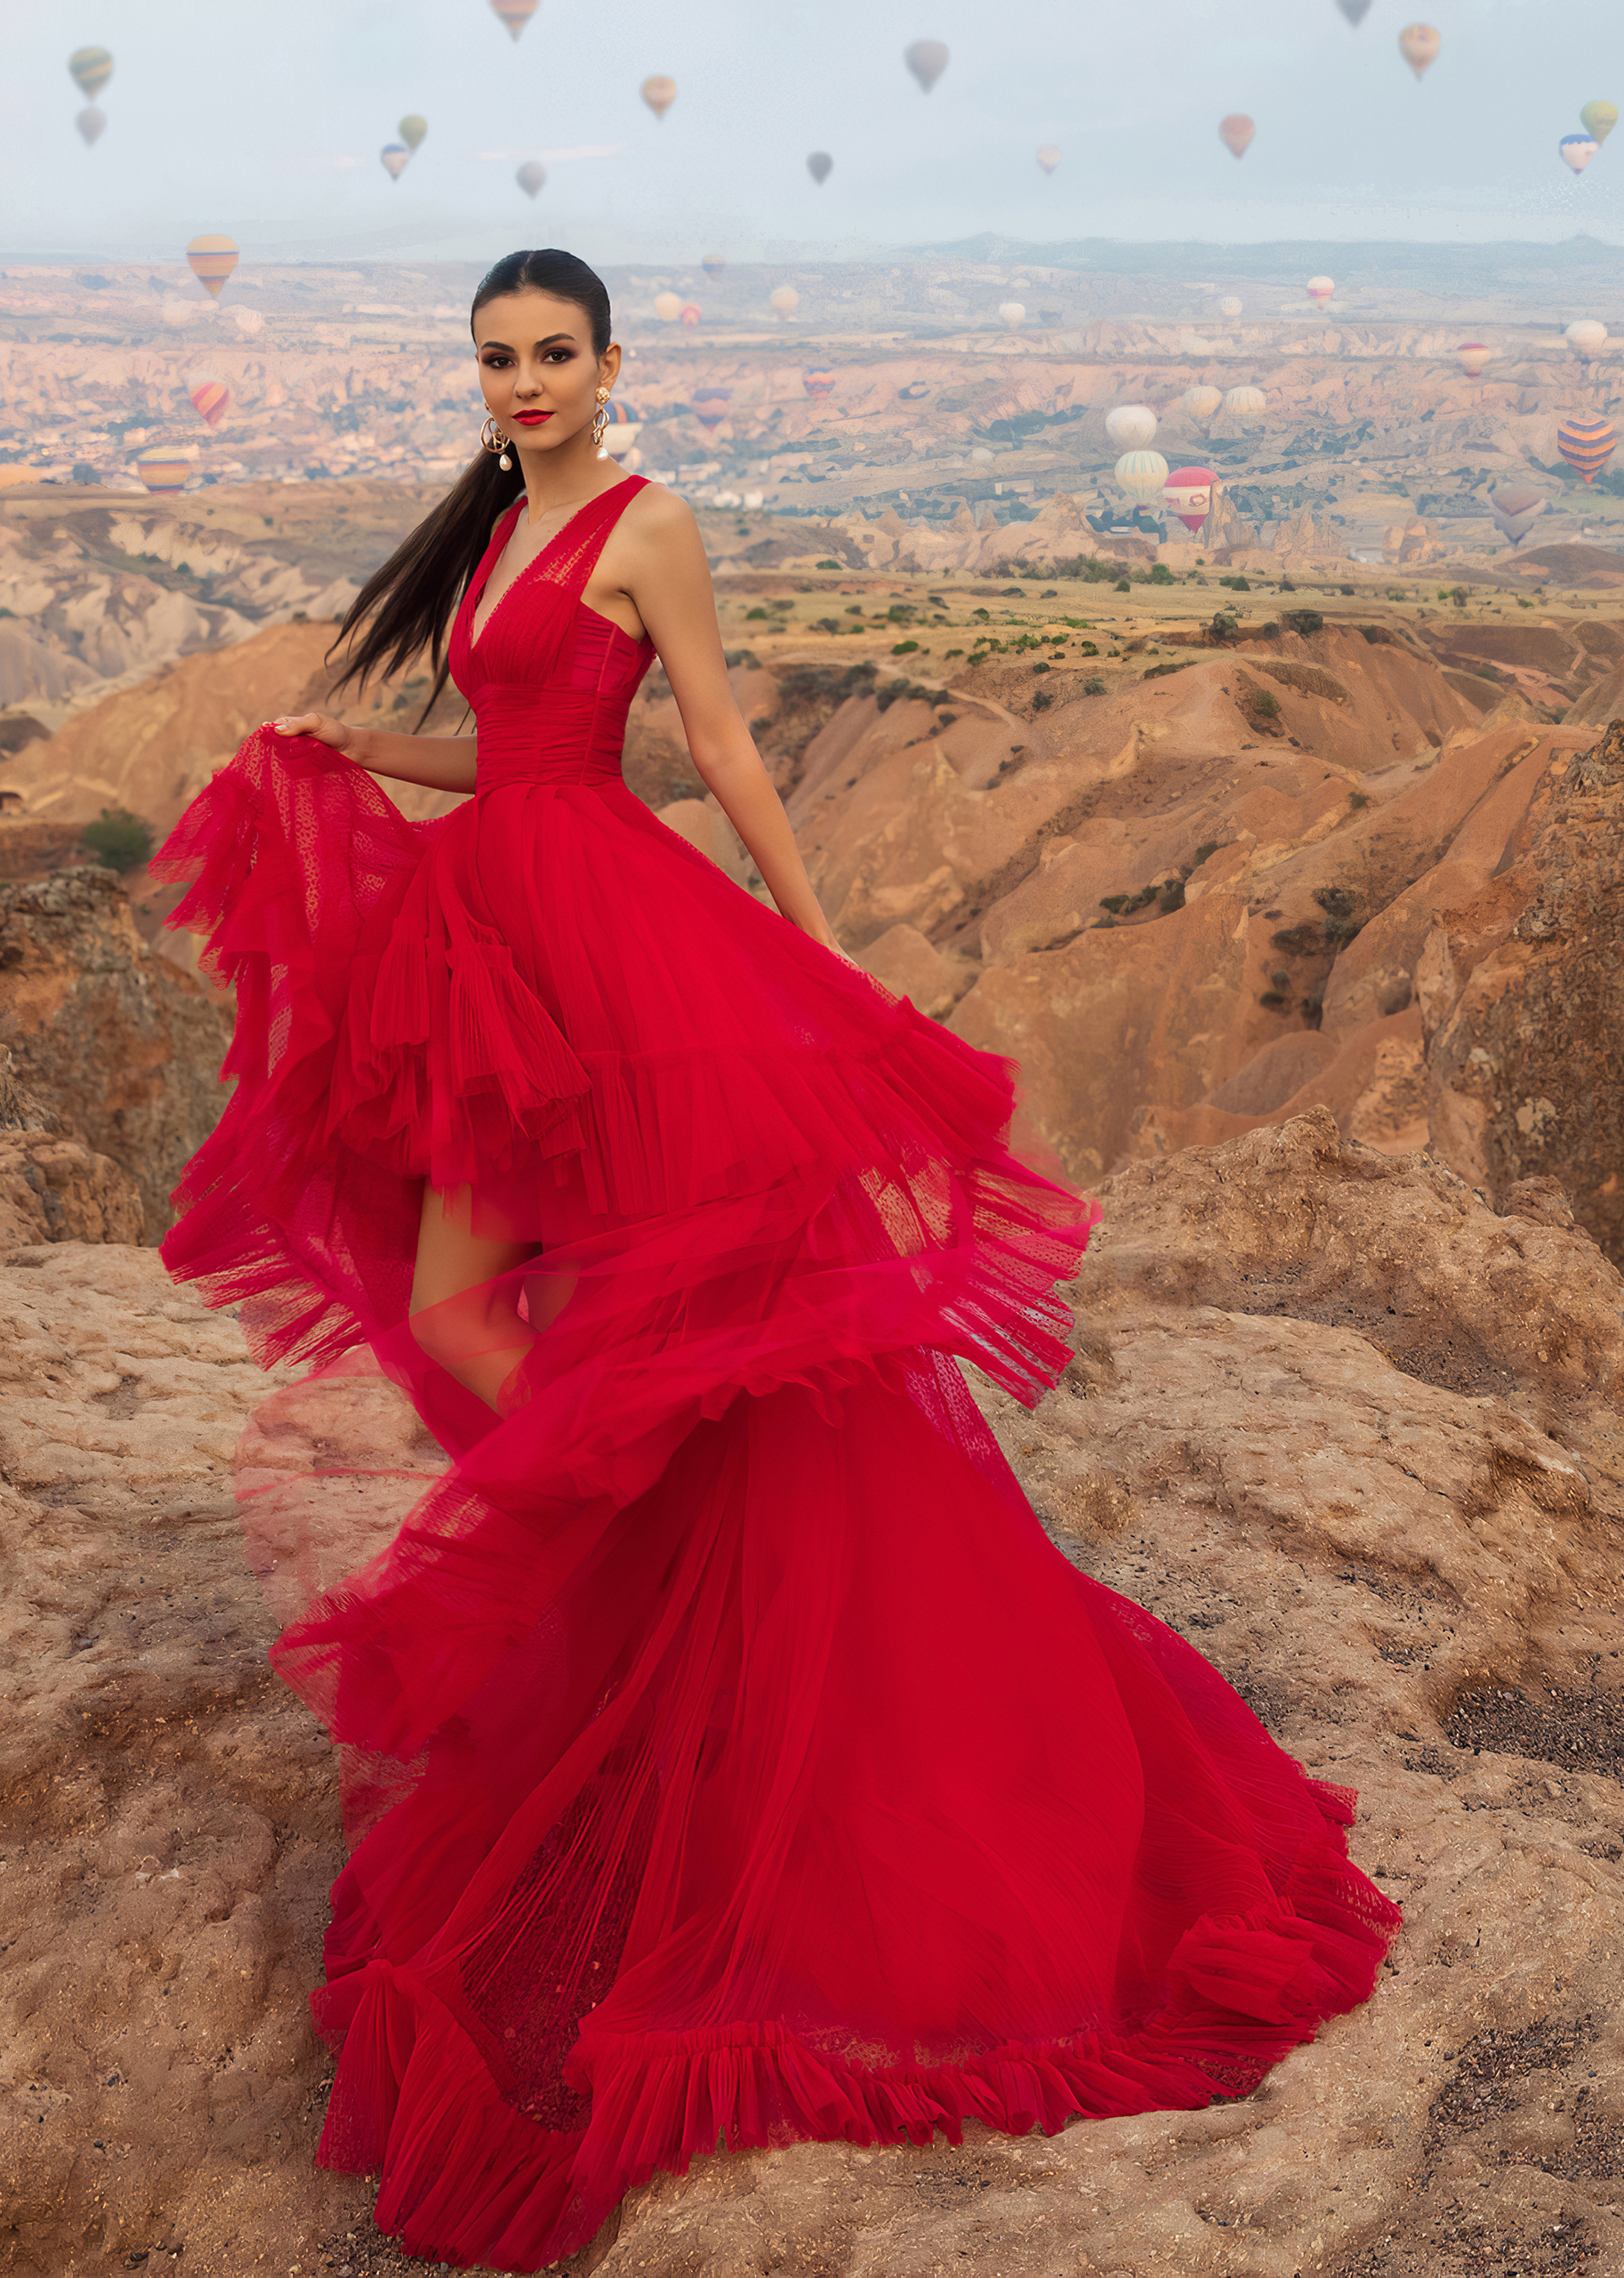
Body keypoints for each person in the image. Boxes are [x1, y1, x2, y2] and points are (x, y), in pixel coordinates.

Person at [152, 248, 1396, 2272]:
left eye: (554, 355)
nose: (525, 382)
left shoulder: (652, 525)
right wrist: (357, 757)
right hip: (495, 943)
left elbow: (711, 749)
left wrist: (809, 941)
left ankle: (728, 1658)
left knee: (683, 1320)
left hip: (620, 955)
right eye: (496, 357)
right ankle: (643, 1606)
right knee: (471, 1320)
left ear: (612, 364)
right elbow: (523, 756)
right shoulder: (490, 534)